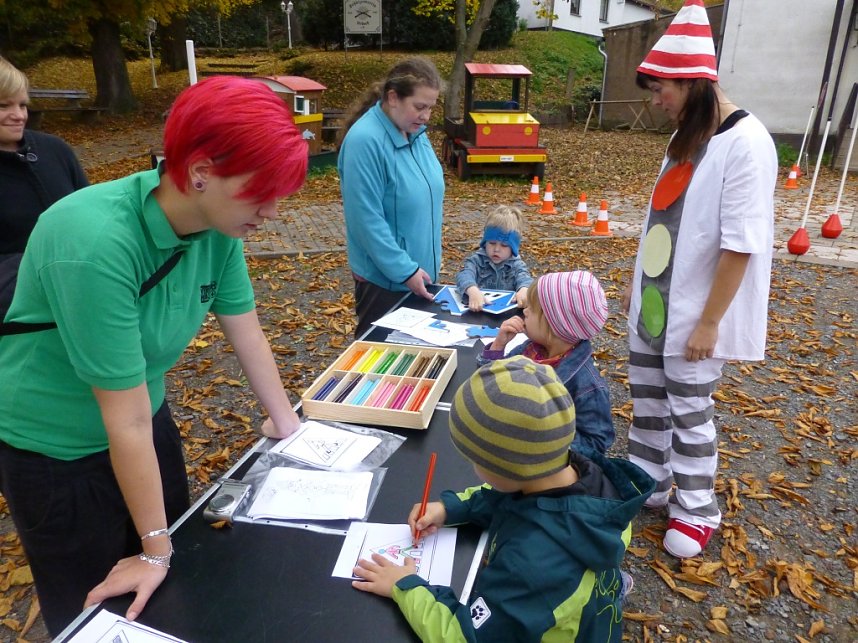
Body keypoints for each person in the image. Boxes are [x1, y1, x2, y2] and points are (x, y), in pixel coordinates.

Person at [0, 76, 308, 635]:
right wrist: (154, 548)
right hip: (58, 452)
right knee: (95, 610)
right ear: (199, 173)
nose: (273, 212)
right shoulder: (94, 242)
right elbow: (123, 416)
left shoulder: (219, 228)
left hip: (147, 423)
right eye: (261, 192)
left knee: (171, 596)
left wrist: (289, 428)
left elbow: (246, 331)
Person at [622, 0, 777, 558]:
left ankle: (696, 508)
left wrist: (710, 322)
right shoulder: (686, 135)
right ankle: (651, 481)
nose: (657, 99)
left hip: (692, 313)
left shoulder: (747, 143)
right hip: (655, 307)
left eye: (662, 87)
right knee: (649, 403)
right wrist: (640, 296)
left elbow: (741, 244)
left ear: (694, 82)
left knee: (690, 412)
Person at [351, 356, 654, 641]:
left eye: (475, 460)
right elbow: (505, 497)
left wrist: (406, 586)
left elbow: (465, 636)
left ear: (508, 467)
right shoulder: (582, 476)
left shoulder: (530, 568)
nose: (473, 469)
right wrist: (450, 508)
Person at [337, 57, 445, 338]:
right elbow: (365, 221)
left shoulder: (416, 133)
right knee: (379, 367)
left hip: (419, 278)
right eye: (420, 107)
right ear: (393, 98)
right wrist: (405, 270)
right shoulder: (365, 141)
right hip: (385, 284)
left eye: (431, 108)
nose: (426, 117)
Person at [479, 271, 615, 454]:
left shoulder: (587, 385)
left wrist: (545, 439)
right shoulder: (528, 350)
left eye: (532, 309)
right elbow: (492, 383)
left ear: (556, 325)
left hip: (543, 469)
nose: (524, 311)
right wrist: (498, 346)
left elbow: (596, 442)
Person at [0, 56, 88, 321]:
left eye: (23, 104)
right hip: (19, 322)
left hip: (83, 295)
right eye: (4, 106)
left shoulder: (54, 150)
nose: (19, 115)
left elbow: (91, 214)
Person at [455, 204, 533, 311]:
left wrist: (524, 290)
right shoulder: (477, 260)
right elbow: (464, 274)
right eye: (492, 243)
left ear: (513, 248)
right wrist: (472, 290)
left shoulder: (516, 265)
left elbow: (525, 279)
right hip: (478, 311)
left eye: (504, 245)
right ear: (485, 242)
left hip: (506, 316)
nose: (496, 249)